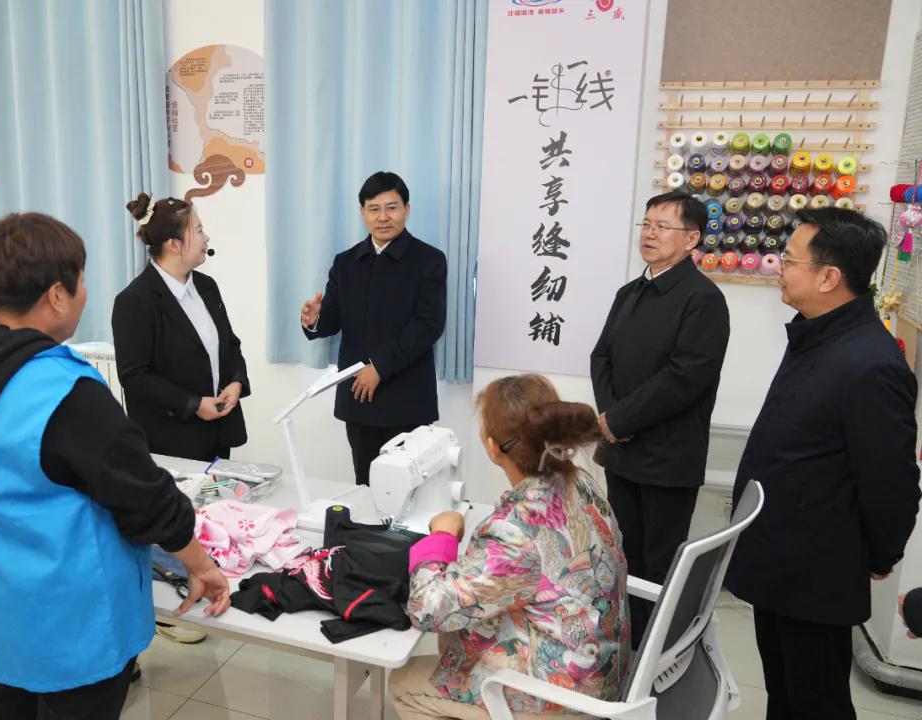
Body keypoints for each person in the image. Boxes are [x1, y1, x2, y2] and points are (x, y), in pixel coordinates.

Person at [0, 212, 230, 720]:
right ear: (57, 296)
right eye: (81, 281)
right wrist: (200, 564)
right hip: (70, 625)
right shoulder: (63, 392)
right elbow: (146, 498)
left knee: (9, 707)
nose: (85, 294)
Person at [725, 207, 921, 720]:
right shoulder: (818, 335)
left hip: (816, 568)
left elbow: (891, 480)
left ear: (829, 277)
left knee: (816, 701)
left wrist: (882, 552)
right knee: (784, 693)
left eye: (790, 260)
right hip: (781, 557)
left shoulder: (870, 363)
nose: (779, 268)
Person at [389, 374, 629, 720]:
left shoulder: (515, 531)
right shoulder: (581, 481)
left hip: (564, 700)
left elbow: (426, 610)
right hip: (603, 673)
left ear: (492, 447)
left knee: (403, 683)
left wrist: (440, 536)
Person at [589, 190, 729, 647]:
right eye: (646, 224)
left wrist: (620, 420)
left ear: (691, 239)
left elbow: (684, 378)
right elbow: (601, 356)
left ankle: (658, 659)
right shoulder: (630, 292)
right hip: (621, 451)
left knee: (660, 565)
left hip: (668, 458)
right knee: (624, 555)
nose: (649, 234)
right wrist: (609, 417)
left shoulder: (704, 299)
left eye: (662, 226)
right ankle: (627, 652)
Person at [301, 172, 447, 485]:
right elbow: (333, 320)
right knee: (365, 485)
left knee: (410, 489)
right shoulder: (346, 262)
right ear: (362, 213)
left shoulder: (429, 260)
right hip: (360, 399)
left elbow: (428, 325)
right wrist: (315, 320)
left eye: (392, 208)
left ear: (407, 210)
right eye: (374, 209)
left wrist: (379, 367)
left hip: (407, 399)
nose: (383, 217)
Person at [113, 193, 250, 462]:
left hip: (217, 433)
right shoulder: (135, 300)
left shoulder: (207, 287)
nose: (206, 238)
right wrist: (194, 404)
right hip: (170, 441)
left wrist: (236, 382)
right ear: (175, 244)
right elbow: (135, 376)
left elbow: (230, 344)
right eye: (198, 230)